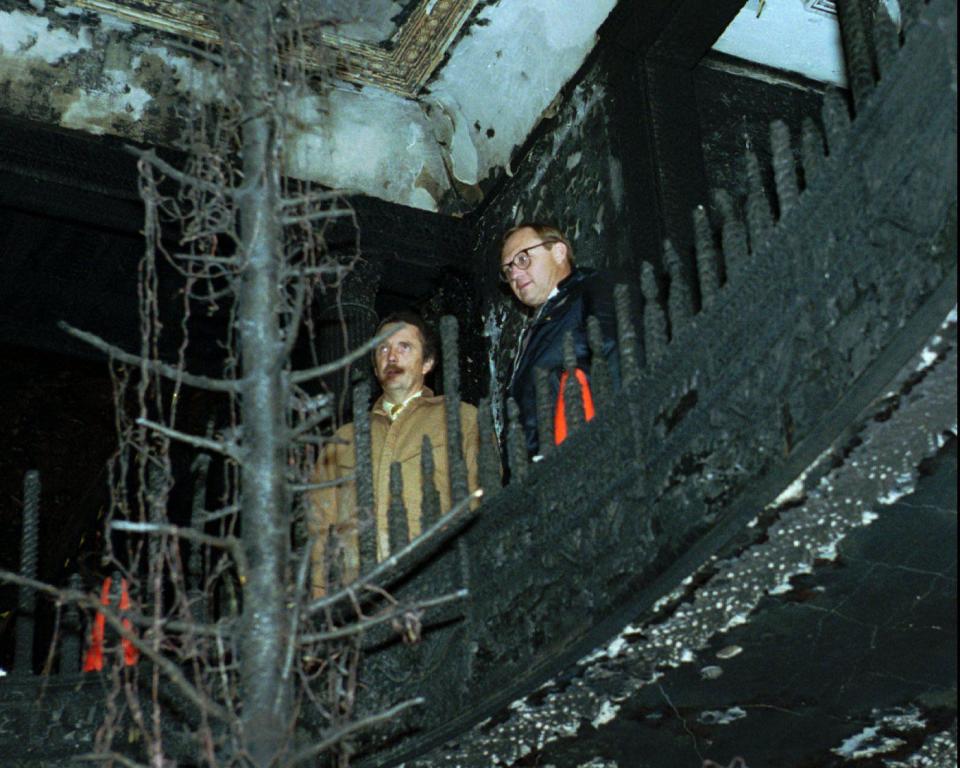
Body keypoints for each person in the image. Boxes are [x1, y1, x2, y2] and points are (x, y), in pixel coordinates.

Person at [308, 311, 480, 596]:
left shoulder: (460, 418)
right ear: (375, 367)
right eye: (383, 348)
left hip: (431, 585)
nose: (391, 356)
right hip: (354, 595)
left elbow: (478, 502)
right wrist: (319, 598)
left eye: (404, 347)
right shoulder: (343, 439)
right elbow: (318, 528)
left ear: (427, 362)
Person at [500, 222, 620, 457]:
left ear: (559, 252)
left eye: (523, 259)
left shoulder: (593, 290)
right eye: (508, 270)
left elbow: (615, 355)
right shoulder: (536, 329)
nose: (514, 274)